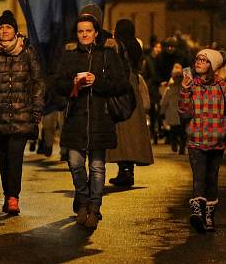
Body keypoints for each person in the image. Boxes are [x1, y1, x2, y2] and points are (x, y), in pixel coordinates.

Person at [52, 12, 129, 230]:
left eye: (88, 31)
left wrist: (98, 81)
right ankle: (83, 201)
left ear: (96, 33)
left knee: (97, 166)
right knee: (75, 164)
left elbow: (122, 84)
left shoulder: (107, 55)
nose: (84, 34)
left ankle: (94, 207)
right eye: (80, 31)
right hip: (75, 118)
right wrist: (72, 83)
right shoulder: (69, 56)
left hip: (100, 118)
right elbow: (56, 84)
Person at [0, 10, 44, 215]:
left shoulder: (27, 51)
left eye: (8, 27)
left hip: (21, 114)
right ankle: (7, 194)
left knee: (15, 157)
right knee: (3, 158)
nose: (4, 31)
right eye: (1, 27)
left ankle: (14, 197)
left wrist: (37, 108)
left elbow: (38, 81)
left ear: (15, 31)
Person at [179, 48, 226, 233]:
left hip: (216, 142)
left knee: (211, 179)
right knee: (198, 178)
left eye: (204, 60)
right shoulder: (192, 85)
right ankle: (197, 213)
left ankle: (209, 216)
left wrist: (223, 130)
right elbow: (184, 112)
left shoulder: (223, 87)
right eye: (197, 59)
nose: (199, 63)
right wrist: (184, 90)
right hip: (196, 141)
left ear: (213, 65)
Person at [106, 19, 154, 187]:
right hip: (134, 85)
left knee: (122, 131)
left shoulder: (118, 45)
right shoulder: (136, 45)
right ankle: (128, 171)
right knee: (133, 131)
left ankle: (124, 170)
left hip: (122, 87)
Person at [160, 64, 186, 154]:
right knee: (173, 131)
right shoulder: (169, 89)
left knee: (183, 132)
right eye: (176, 77)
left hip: (182, 114)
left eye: (180, 77)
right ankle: (174, 144)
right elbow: (164, 102)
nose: (178, 79)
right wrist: (162, 112)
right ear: (173, 78)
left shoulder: (185, 89)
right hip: (172, 114)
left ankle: (182, 147)